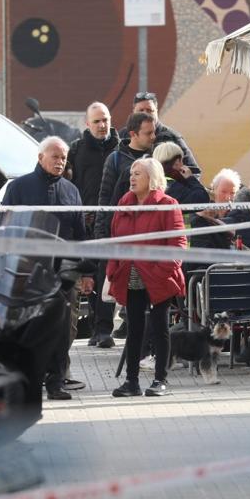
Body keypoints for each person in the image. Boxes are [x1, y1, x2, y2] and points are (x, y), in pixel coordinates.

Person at [2, 136, 96, 400]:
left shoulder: (71, 190)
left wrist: (86, 272)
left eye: (64, 157)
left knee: (62, 328)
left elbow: (80, 233)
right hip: (29, 269)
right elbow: (6, 228)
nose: (61, 161)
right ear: (40, 157)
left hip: (64, 271)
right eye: (55, 156)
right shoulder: (19, 187)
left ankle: (56, 381)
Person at [107, 158, 186, 399]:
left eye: (138, 174)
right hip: (130, 275)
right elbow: (114, 240)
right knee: (134, 329)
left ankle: (160, 379)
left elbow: (178, 245)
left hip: (160, 277)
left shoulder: (168, 204)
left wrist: (161, 273)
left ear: (151, 179)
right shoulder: (124, 203)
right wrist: (114, 269)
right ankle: (131, 381)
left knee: (160, 328)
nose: (132, 177)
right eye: (131, 173)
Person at [96, 112, 157, 340]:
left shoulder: (157, 157)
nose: (153, 137)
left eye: (154, 132)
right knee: (109, 276)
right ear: (133, 134)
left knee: (138, 286)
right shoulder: (115, 159)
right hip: (120, 230)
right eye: (148, 133)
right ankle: (102, 331)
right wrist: (102, 233)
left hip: (148, 233)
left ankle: (135, 330)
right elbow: (105, 198)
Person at [67, 102, 120, 347]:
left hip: (114, 222)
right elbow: (69, 184)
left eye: (105, 120)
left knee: (107, 273)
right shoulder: (76, 151)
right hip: (86, 222)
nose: (102, 125)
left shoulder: (121, 149)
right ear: (87, 124)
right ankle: (88, 329)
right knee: (88, 275)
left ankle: (104, 330)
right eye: (97, 121)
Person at [131, 91, 200, 175]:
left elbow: (194, 172)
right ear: (133, 111)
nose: (145, 114)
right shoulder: (122, 137)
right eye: (141, 110)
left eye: (149, 110)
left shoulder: (173, 137)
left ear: (156, 111)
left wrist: (173, 187)